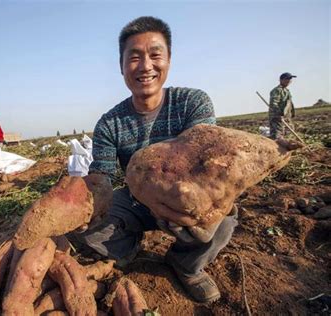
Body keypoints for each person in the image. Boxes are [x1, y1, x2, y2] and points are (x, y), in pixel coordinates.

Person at [72, 16, 238, 303]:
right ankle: (127, 246)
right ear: (121, 66)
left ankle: (185, 266)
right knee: (88, 232)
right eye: (134, 57)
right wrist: (81, 205)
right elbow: (103, 176)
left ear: (169, 60)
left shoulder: (192, 103)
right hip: (136, 199)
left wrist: (178, 203)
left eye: (155, 55)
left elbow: (206, 164)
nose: (146, 66)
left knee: (221, 217)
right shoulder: (110, 123)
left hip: (184, 198)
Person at [269, 72, 296, 139]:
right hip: (278, 117)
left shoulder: (286, 91)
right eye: (287, 79)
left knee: (289, 134)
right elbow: (274, 103)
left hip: (286, 116)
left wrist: (292, 113)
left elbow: (289, 103)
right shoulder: (277, 90)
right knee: (277, 135)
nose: (289, 81)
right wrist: (278, 113)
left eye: (290, 79)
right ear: (281, 80)